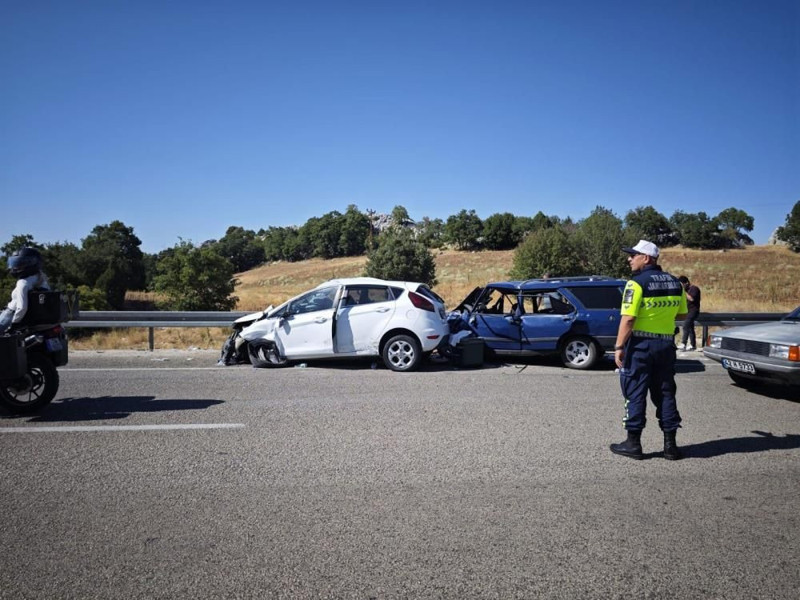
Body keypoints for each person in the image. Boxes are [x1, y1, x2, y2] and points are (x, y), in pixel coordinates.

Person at [610, 240, 687, 461]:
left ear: (646, 258)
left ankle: (633, 444)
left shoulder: (636, 283)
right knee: (665, 392)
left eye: (633, 255)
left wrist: (618, 346)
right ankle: (670, 447)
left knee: (635, 391)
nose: (629, 259)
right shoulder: (675, 282)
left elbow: (629, 319)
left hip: (641, 345)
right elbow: (681, 314)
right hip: (665, 345)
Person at [0, 247, 50, 334]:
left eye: (21, 264)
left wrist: (14, 324)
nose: (16, 267)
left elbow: (22, 307)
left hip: (10, 315)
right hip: (32, 317)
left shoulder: (23, 283)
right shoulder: (41, 279)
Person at [677, 275, 701, 350]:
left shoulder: (694, 289)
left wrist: (683, 291)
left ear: (686, 283)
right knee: (690, 328)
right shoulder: (685, 290)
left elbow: (691, 299)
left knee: (686, 325)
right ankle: (693, 345)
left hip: (693, 311)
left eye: (682, 284)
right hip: (687, 311)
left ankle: (683, 343)